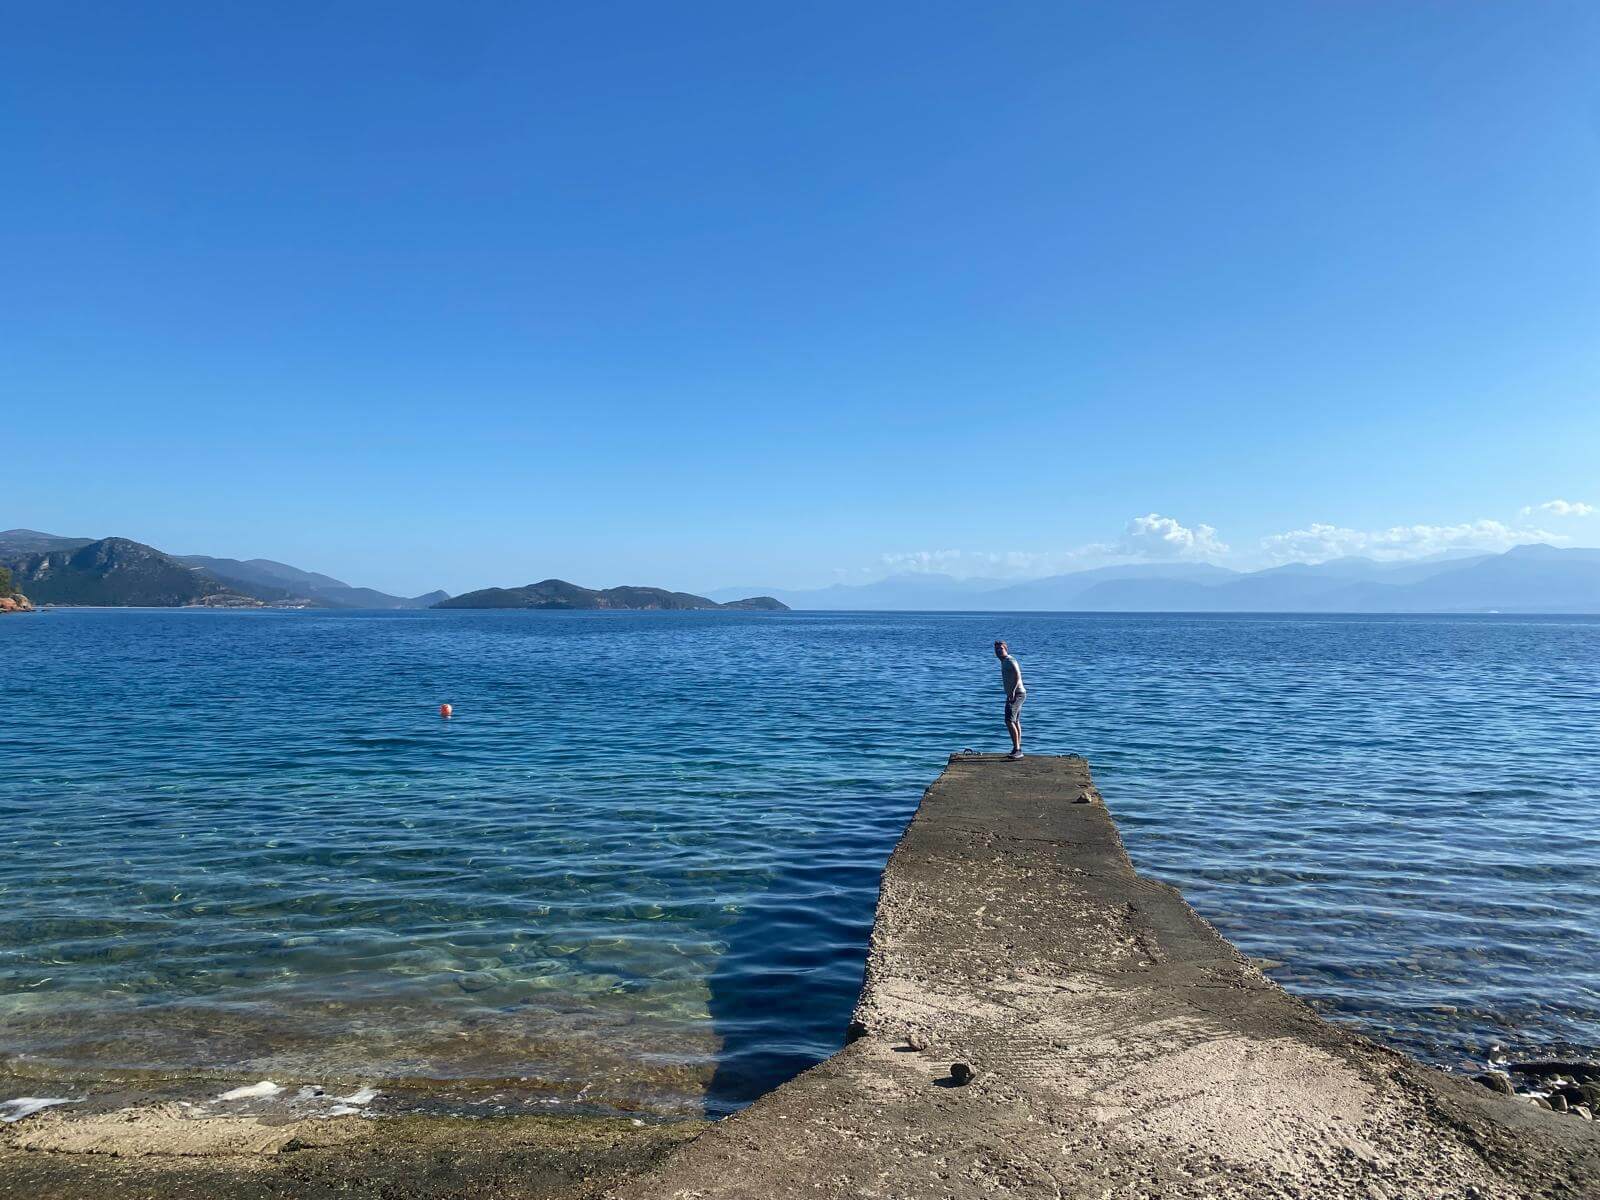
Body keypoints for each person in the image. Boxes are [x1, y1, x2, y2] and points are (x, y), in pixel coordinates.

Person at [994, 640, 1026, 760]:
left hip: (1017, 693)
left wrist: (1012, 691)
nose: (998, 651)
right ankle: (1017, 748)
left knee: (1009, 720)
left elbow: (1018, 675)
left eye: (1000, 649)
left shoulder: (1010, 660)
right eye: (996, 649)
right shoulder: (1003, 661)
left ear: (1006, 649)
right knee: (1015, 720)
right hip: (1015, 694)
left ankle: (1017, 749)